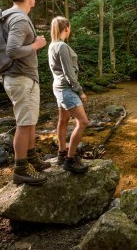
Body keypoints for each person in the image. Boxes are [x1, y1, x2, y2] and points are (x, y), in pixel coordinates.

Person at [2, 0, 50, 185]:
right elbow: (11, 50)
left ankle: (31, 158)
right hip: (20, 78)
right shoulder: (20, 18)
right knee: (24, 123)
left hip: (21, 77)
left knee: (30, 120)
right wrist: (36, 45)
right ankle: (21, 169)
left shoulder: (8, 15)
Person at [48, 16, 89, 174]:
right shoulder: (62, 46)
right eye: (69, 27)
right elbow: (69, 73)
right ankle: (70, 159)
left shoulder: (52, 45)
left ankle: (61, 153)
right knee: (83, 122)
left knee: (63, 120)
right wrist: (80, 91)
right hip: (66, 88)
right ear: (67, 28)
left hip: (58, 87)